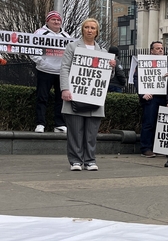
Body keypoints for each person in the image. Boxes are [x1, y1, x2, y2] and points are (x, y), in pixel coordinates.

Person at [59, 18, 116, 171]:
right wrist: (65, 89)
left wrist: (111, 68)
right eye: (87, 27)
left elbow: (106, 78)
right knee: (75, 132)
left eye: (93, 28)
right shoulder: (72, 47)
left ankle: (90, 160)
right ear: (82, 29)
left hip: (94, 98)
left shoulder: (103, 53)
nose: (90, 30)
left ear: (97, 32)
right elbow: (64, 68)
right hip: (74, 95)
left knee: (91, 133)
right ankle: (75, 161)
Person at [32, 11, 71, 133]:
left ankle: (59, 124)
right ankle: (40, 123)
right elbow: (31, 49)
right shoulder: (39, 33)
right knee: (42, 97)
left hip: (61, 73)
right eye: (53, 19)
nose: (56, 22)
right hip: (44, 71)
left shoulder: (67, 36)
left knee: (61, 99)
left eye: (58, 20)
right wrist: (41, 62)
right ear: (47, 21)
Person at [137, 41, 167, 158]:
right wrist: (142, 94)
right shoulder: (143, 63)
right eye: (157, 48)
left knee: (161, 123)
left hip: (163, 97)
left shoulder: (167, 64)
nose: (160, 50)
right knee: (149, 123)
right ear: (151, 51)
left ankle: (157, 147)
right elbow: (137, 80)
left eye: (162, 48)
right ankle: (146, 148)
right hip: (150, 98)